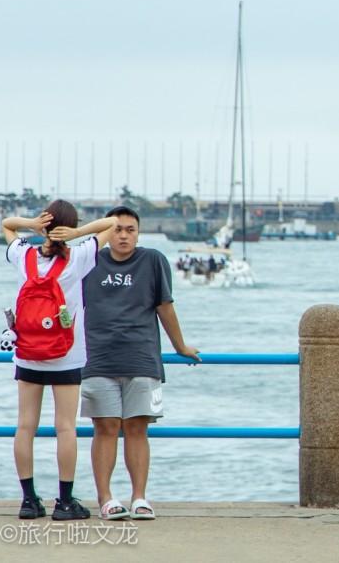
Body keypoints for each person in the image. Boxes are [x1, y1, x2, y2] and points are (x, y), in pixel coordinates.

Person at [81, 205, 200, 522]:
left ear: (138, 233)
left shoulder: (153, 261)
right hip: (97, 358)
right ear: (106, 231)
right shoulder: (87, 259)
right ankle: (106, 498)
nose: (123, 235)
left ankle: (139, 498)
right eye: (116, 229)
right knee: (104, 428)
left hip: (142, 357)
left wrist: (181, 347)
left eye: (129, 229)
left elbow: (165, 307)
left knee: (137, 428)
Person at [1, 201, 116, 520]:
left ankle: (28, 500)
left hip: (28, 353)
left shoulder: (25, 256)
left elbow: (7, 225)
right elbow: (112, 223)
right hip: (66, 355)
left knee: (25, 426)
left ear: (44, 223)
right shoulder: (79, 257)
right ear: (70, 225)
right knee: (65, 427)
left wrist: (32, 224)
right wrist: (79, 232)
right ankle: (65, 502)